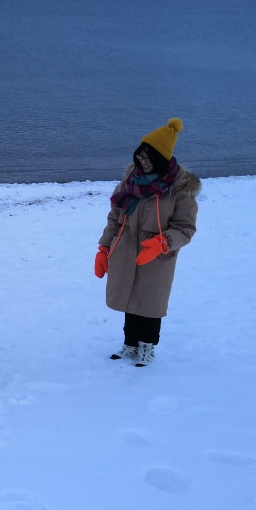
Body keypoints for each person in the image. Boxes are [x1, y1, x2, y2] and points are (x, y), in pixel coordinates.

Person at [95, 119, 199, 366]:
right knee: (129, 299)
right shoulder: (131, 180)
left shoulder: (180, 188)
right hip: (125, 250)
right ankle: (130, 345)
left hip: (157, 255)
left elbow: (186, 228)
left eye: (148, 157)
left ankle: (147, 347)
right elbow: (115, 216)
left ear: (161, 158)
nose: (142, 161)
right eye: (140, 155)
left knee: (150, 303)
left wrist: (163, 243)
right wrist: (104, 247)